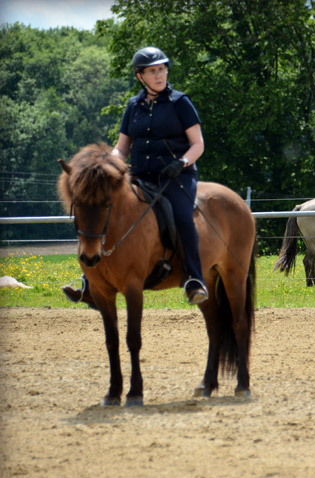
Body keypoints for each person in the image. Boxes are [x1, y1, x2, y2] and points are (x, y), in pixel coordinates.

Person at [62, 46, 208, 306]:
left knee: (183, 218)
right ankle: (90, 281)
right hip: (139, 176)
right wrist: (109, 166)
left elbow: (198, 144)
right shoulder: (133, 105)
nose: (159, 75)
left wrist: (182, 162)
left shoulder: (180, 102)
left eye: (162, 69)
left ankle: (194, 279)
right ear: (140, 76)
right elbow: (122, 147)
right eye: (153, 71)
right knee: (103, 212)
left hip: (176, 177)